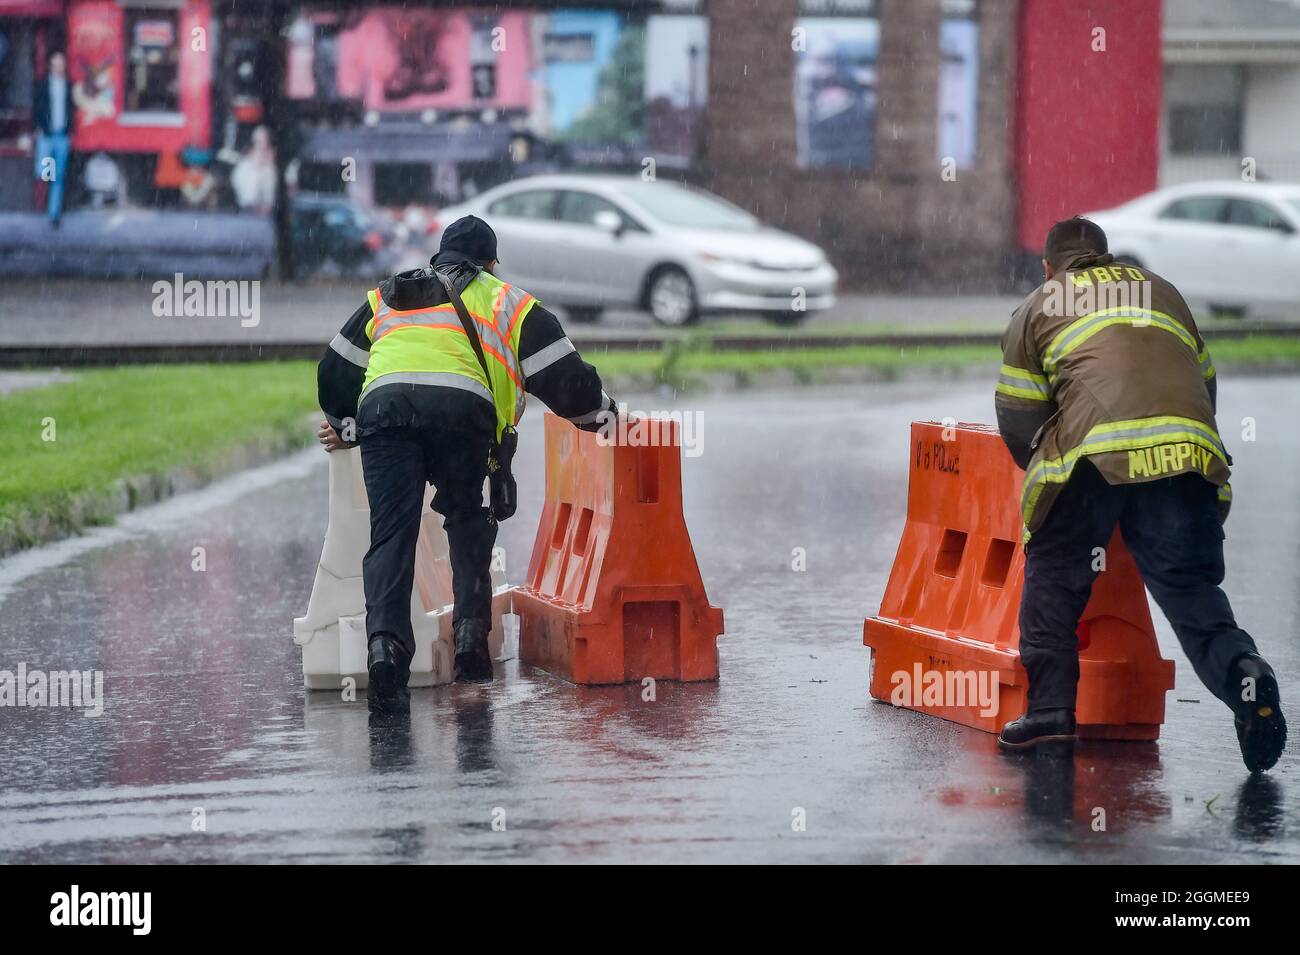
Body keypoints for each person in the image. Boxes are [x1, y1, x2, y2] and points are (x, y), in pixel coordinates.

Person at [994, 216, 1286, 773]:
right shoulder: (1163, 291)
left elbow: (1018, 416)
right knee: (1189, 589)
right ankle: (1243, 673)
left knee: (1055, 574)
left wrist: (1050, 479)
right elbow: (1204, 387)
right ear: (1106, 256)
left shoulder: (1040, 302)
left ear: (1049, 266)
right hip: (1188, 454)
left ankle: (1051, 715)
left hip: (1094, 459)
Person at [316, 215, 616, 693]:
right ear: (491, 263)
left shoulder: (387, 296)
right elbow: (568, 382)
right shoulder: (509, 302)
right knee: (466, 520)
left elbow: (336, 367)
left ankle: (385, 649)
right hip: (462, 417)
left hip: (387, 417)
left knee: (391, 534)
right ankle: (471, 645)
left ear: (439, 258)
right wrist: (606, 418)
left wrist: (347, 427)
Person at [33, 51, 74, 228]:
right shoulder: (43, 85)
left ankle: (53, 214)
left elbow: (71, 109)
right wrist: (40, 127)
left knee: (58, 177)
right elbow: (37, 107)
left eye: (61, 64)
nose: (59, 67)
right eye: (56, 64)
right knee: (43, 172)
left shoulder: (68, 85)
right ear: (50, 66)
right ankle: (47, 203)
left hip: (61, 136)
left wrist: (70, 130)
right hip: (47, 136)